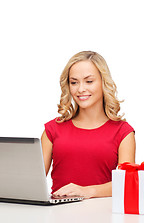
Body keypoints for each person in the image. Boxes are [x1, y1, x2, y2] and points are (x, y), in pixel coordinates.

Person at [41, 51, 135, 199]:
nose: (80, 89)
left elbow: (127, 182)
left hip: (103, 216)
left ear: (103, 82)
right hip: (58, 215)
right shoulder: (52, 130)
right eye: (74, 82)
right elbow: (33, 181)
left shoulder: (123, 132)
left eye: (89, 81)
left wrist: (87, 191)